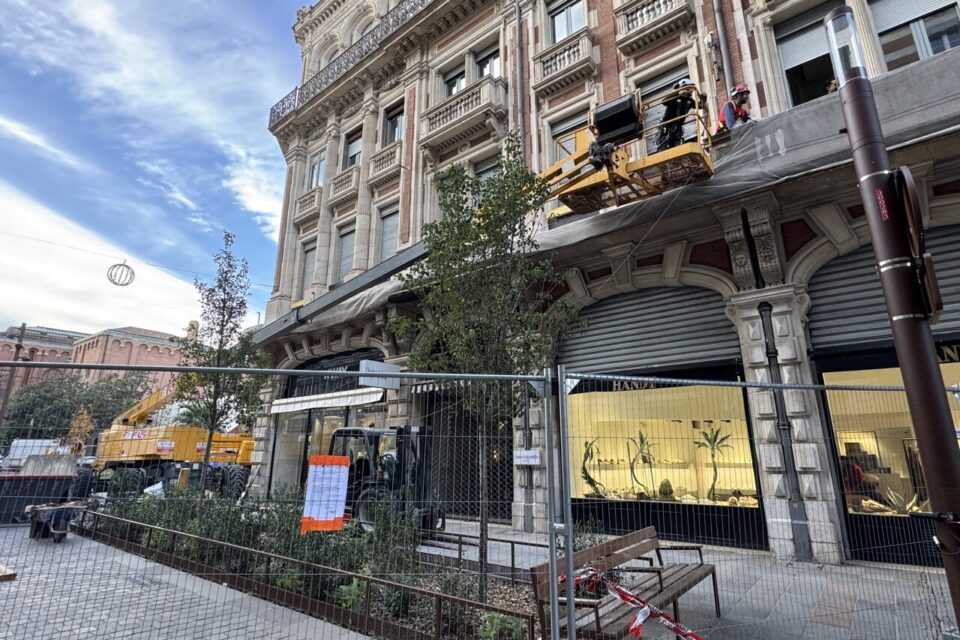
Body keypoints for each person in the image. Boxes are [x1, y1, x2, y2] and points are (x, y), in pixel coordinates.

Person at [655, 78, 705, 152]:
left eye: (691, 91)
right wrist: (677, 93)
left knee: (678, 148)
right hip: (666, 127)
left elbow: (700, 106)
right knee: (662, 149)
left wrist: (703, 98)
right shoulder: (675, 97)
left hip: (677, 129)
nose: (690, 93)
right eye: (688, 90)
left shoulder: (689, 101)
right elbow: (664, 101)